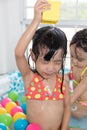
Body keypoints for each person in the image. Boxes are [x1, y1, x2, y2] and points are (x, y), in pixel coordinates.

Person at [15, 0, 70, 130]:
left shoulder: (63, 81)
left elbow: (67, 107)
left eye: (57, 62)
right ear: (33, 56)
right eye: (45, 61)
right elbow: (18, 53)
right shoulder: (29, 78)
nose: (51, 68)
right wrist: (36, 20)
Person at [69, 28, 87, 121]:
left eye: (79, 59)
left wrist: (67, 103)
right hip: (77, 101)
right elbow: (69, 76)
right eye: (72, 56)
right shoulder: (75, 64)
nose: (74, 61)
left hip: (85, 103)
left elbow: (77, 92)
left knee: (75, 112)